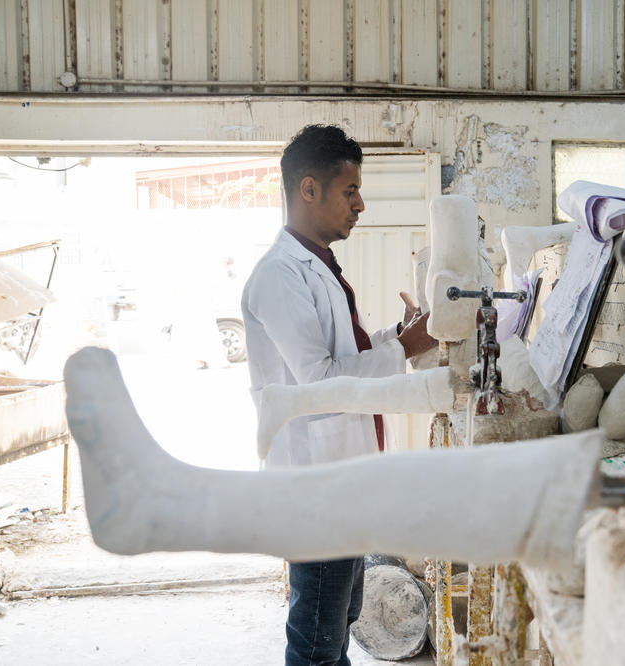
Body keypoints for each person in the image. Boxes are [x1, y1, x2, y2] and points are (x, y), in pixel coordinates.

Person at [241, 124, 437, 666]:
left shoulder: (318, 263)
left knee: (340, 617)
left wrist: (398, 339)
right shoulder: (280, 275)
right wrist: (405, 349)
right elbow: (320, 384)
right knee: (317, 638)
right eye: (349, 191)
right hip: (314, 488)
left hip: (340, 482)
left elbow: (344, 354)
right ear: (309, 190)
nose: (360, 204)